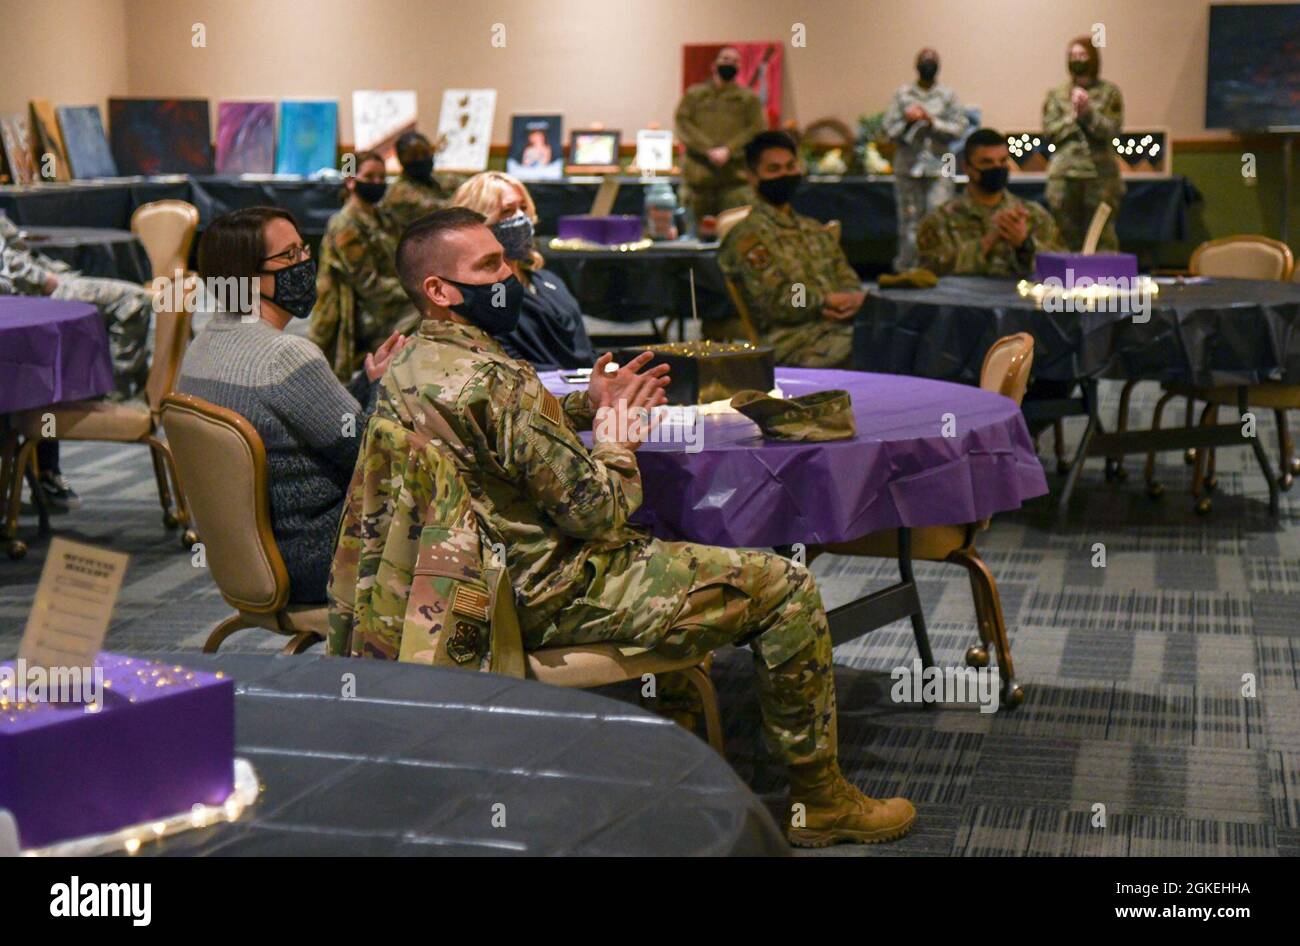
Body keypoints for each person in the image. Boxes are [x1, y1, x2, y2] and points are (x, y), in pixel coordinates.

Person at [366, 206, 916, 846]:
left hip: (460, 586)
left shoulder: (410, 361)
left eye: (506, 259)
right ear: (439, 290)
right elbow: (596, 512)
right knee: (785, 586)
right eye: (488, 266)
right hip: (541, 588)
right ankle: (820, 801)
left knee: (685, 547)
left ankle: (674, 730)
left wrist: (586, 403)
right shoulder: (493, 378)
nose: (509, 275)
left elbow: (499, 435)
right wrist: (616, 443)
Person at [178, 207, 406, 603]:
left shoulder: (201, 346)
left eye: (304, 250)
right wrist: (387, 387)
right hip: (324, 554)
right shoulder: (286, 356)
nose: (305, 263)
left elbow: (303, 415)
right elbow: (370, 455)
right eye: (288, 257)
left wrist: (367, 383)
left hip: (247, 557)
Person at [1, 210, 155, 508]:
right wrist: (49, 281)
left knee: (45, 347)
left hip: (38, 281)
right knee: (133, 301)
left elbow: (14, 252)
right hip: (32, 289)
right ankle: (114, 397)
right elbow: (10, 270)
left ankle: (47, 468)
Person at [718, 130, 863, 369]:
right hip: (795, 343)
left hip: (844, 328)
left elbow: (847, 278)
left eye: (790, 166)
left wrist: (852, 301)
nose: (785, 175)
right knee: (888, 349)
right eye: (774, 170)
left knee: (909, 338)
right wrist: (823, 301)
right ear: (753, 177)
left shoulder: (814, 229)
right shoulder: (748, 237)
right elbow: (778, 299)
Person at [449, 171, 595, 371]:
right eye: (507, 211)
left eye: (523, 208)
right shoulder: (482, 297)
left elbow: (585, 352)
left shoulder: (547, 280)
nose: (520, 218)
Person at [309, 150, 420, 381]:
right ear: (351, 181)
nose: (377, 183)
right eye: (369, 177)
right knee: (425, 310)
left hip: (382, 303)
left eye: (382, 178)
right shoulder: (345, 224)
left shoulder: (382, 218)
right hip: (357, 313)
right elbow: (370, 286)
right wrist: (414, 290)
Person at [916, 127, 1063, 277]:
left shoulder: (1032, 215)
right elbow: (930, 271)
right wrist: (988, 242)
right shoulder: (940, 220)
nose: (997, 168)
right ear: (967, 168)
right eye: (987, 162)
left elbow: (1061, 267)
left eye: (1003, 161)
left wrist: (1024, 244)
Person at [882, 48, 969, 272]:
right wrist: (909, 122)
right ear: (916, 65)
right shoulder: (902, 95)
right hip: (908, 168)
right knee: (909, 224)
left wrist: (933, 122)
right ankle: (907, 270)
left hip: (940, 168)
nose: (928, 65)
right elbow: (889, 131)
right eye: (924, 61)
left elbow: (960, 128)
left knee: (938, 222)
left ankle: (937, 269)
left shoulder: (948, 96)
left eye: (932, 61)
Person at [1043, 35, 1125, 252]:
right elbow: (1050, 133)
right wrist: (1073, 116)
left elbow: (1112, 131)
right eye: (1072, 55)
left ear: (1093, 58)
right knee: (1064, 239)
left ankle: (1104, 284)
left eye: (1082, 55)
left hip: (1100, 177)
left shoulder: (1110, 93)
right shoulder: (1056, 95)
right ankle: (1065, 284)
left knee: (1101, 239)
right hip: (1065, 176)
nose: (1077, 59)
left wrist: (1089, 114)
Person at [674, 46, 766, 224]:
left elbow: (756, 128)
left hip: (734, 181)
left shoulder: (748, 99)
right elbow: (683, 122)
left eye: (734, 61)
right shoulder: (695, 94)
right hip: (698, 180)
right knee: (694, 234)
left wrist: (728, 150)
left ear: (739, 67)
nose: (729, 64)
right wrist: (708, 149)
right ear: (714, 65)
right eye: (725, 59)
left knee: (736, 234)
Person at [379, 131, 448, 233]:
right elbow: (443, 212)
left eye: (425, 153)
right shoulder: (399, 192)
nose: (421, 159)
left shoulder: (434, 181)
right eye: (414, 156)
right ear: (401, 160)